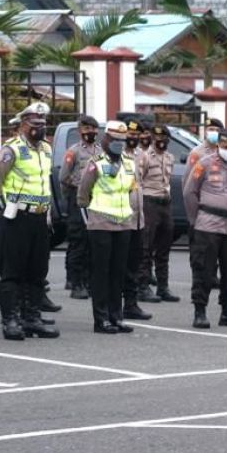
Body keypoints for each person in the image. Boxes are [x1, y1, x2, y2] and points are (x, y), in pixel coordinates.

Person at [0, 102, 59, 340]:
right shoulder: (10, 149)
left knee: (37, 271)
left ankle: (31, 318)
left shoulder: (46, 149)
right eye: (35, 124)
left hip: (40, 217)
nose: (40, 128)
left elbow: (46, 181)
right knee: (12, 271)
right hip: (17, 217)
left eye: (43, 124)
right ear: (23, 125)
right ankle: (11, 320)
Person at [184, 129, 227, 329]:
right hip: (208, 223)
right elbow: (190, 192)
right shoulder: (204, 163)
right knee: (204, 270)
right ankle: (200, 311)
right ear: (218, 145)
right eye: (224, 147)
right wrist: (195, 220)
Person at [77, 121, 139, 334]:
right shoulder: (96, 163)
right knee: (101, 273)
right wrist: (90, 221)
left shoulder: (130, 163)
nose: (119, 144)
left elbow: (131, 189)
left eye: (122, 140)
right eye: (114, 140)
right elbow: (83, 194)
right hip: (101, 224)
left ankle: (116, 316)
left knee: (118, 272)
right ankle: (101, 319)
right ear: (106, 140)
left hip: (123, 224)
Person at [137, 124, 179, 303]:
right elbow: (138, 181)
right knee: (146, 246)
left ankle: (163, 287)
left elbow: (167, 180)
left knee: (164, 247)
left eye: (163, 138)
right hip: (149, 203)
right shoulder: (145, 157)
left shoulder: (170, 158)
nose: (160, 141)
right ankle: (143, 287)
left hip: (164, 203)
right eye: (157, 138)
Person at [62, 114, 100, 298]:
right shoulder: (74, 151)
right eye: (86, 129)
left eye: (93, 129)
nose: (90, 132)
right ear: (80, 131)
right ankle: (75, 282)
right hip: (77, 198)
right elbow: (64, 177)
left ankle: (88, 281)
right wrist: (74, 192)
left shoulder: (100, 151)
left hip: (95, 200)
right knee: (78, 240)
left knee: (92, 242)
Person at [119, 119, 152, 322]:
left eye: (136, 135)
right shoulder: (117, 154)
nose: (132, 137)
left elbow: (142, 179)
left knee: (134, 263)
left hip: (138, 217)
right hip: (121, 217)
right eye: (129, 134)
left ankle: (131, 304)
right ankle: (114, 304)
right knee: (119, 264)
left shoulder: (142, 155)